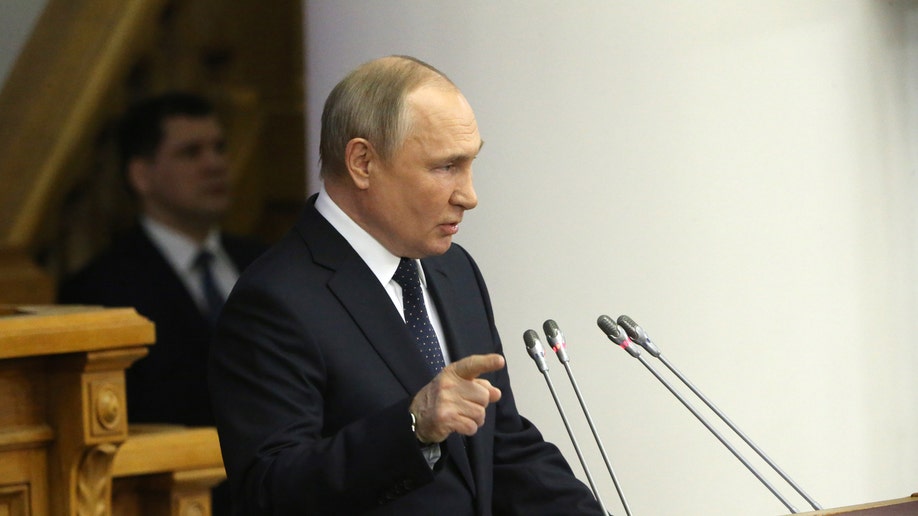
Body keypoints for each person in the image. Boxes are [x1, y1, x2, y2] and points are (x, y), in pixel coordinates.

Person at [207, 56, 605, 515]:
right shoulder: (275, 299)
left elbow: (502, 447)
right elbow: (270, 492)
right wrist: (413, 427)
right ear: (362, 162)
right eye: (445, 167)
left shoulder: (455, 272)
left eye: (471, 164)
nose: (469, 196)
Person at [58, 92, 266, 515]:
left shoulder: (265, 262)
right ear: (142, 175)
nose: (215, 163)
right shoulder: (101, 289)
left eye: (219, 148)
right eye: (191, 152)